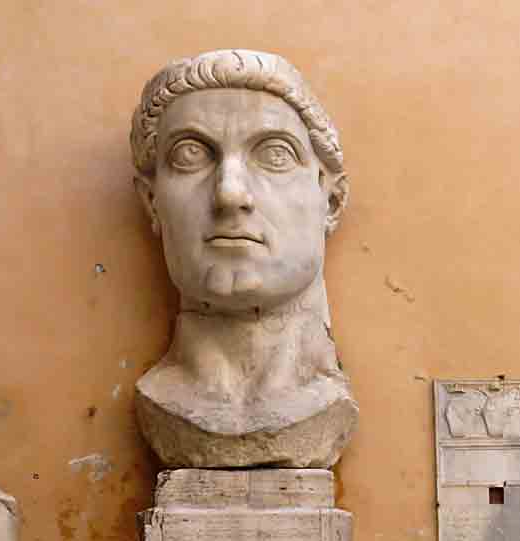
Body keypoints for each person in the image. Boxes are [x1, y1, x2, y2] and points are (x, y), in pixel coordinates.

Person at [129, 50, 357, 469]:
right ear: (151, 203)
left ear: (331, 200)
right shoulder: (162, 400)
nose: (230, 194)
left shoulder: (323, 404)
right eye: (191, 155)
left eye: (274, 154)